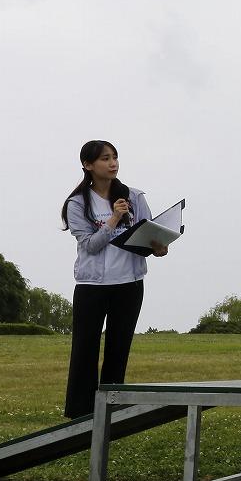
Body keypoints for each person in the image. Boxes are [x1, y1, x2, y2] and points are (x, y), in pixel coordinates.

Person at [60, 140, 167, 418]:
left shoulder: (135, 197)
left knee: (119, 348)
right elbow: (90, 245)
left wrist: (158, 246)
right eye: (105, 158)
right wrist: (113, 219)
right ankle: (81, 415)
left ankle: (111, 410)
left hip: (129, 284)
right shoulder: (77, 203)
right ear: (88, 165)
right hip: (92, 286)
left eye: (115, 157)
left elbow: (148, 234)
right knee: (85, 349)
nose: (113, 163)